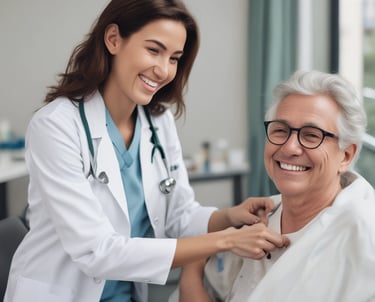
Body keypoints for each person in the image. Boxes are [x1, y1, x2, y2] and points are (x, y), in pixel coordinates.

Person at [4, 1, 289, 302]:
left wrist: (229, 216)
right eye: (154, 50)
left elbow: (179, 217)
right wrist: (227, 240)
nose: (164, 70)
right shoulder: (56, 125)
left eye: (174, 58)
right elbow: (97, 251)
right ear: (113, 39)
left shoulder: (158, 122)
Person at [175, 70, 375, 302]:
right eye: (280, 130)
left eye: (311, 135)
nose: (290, 148)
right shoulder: (255, 221)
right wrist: (196, 261)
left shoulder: (364, 232)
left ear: (346, 156)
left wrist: (192, 264)